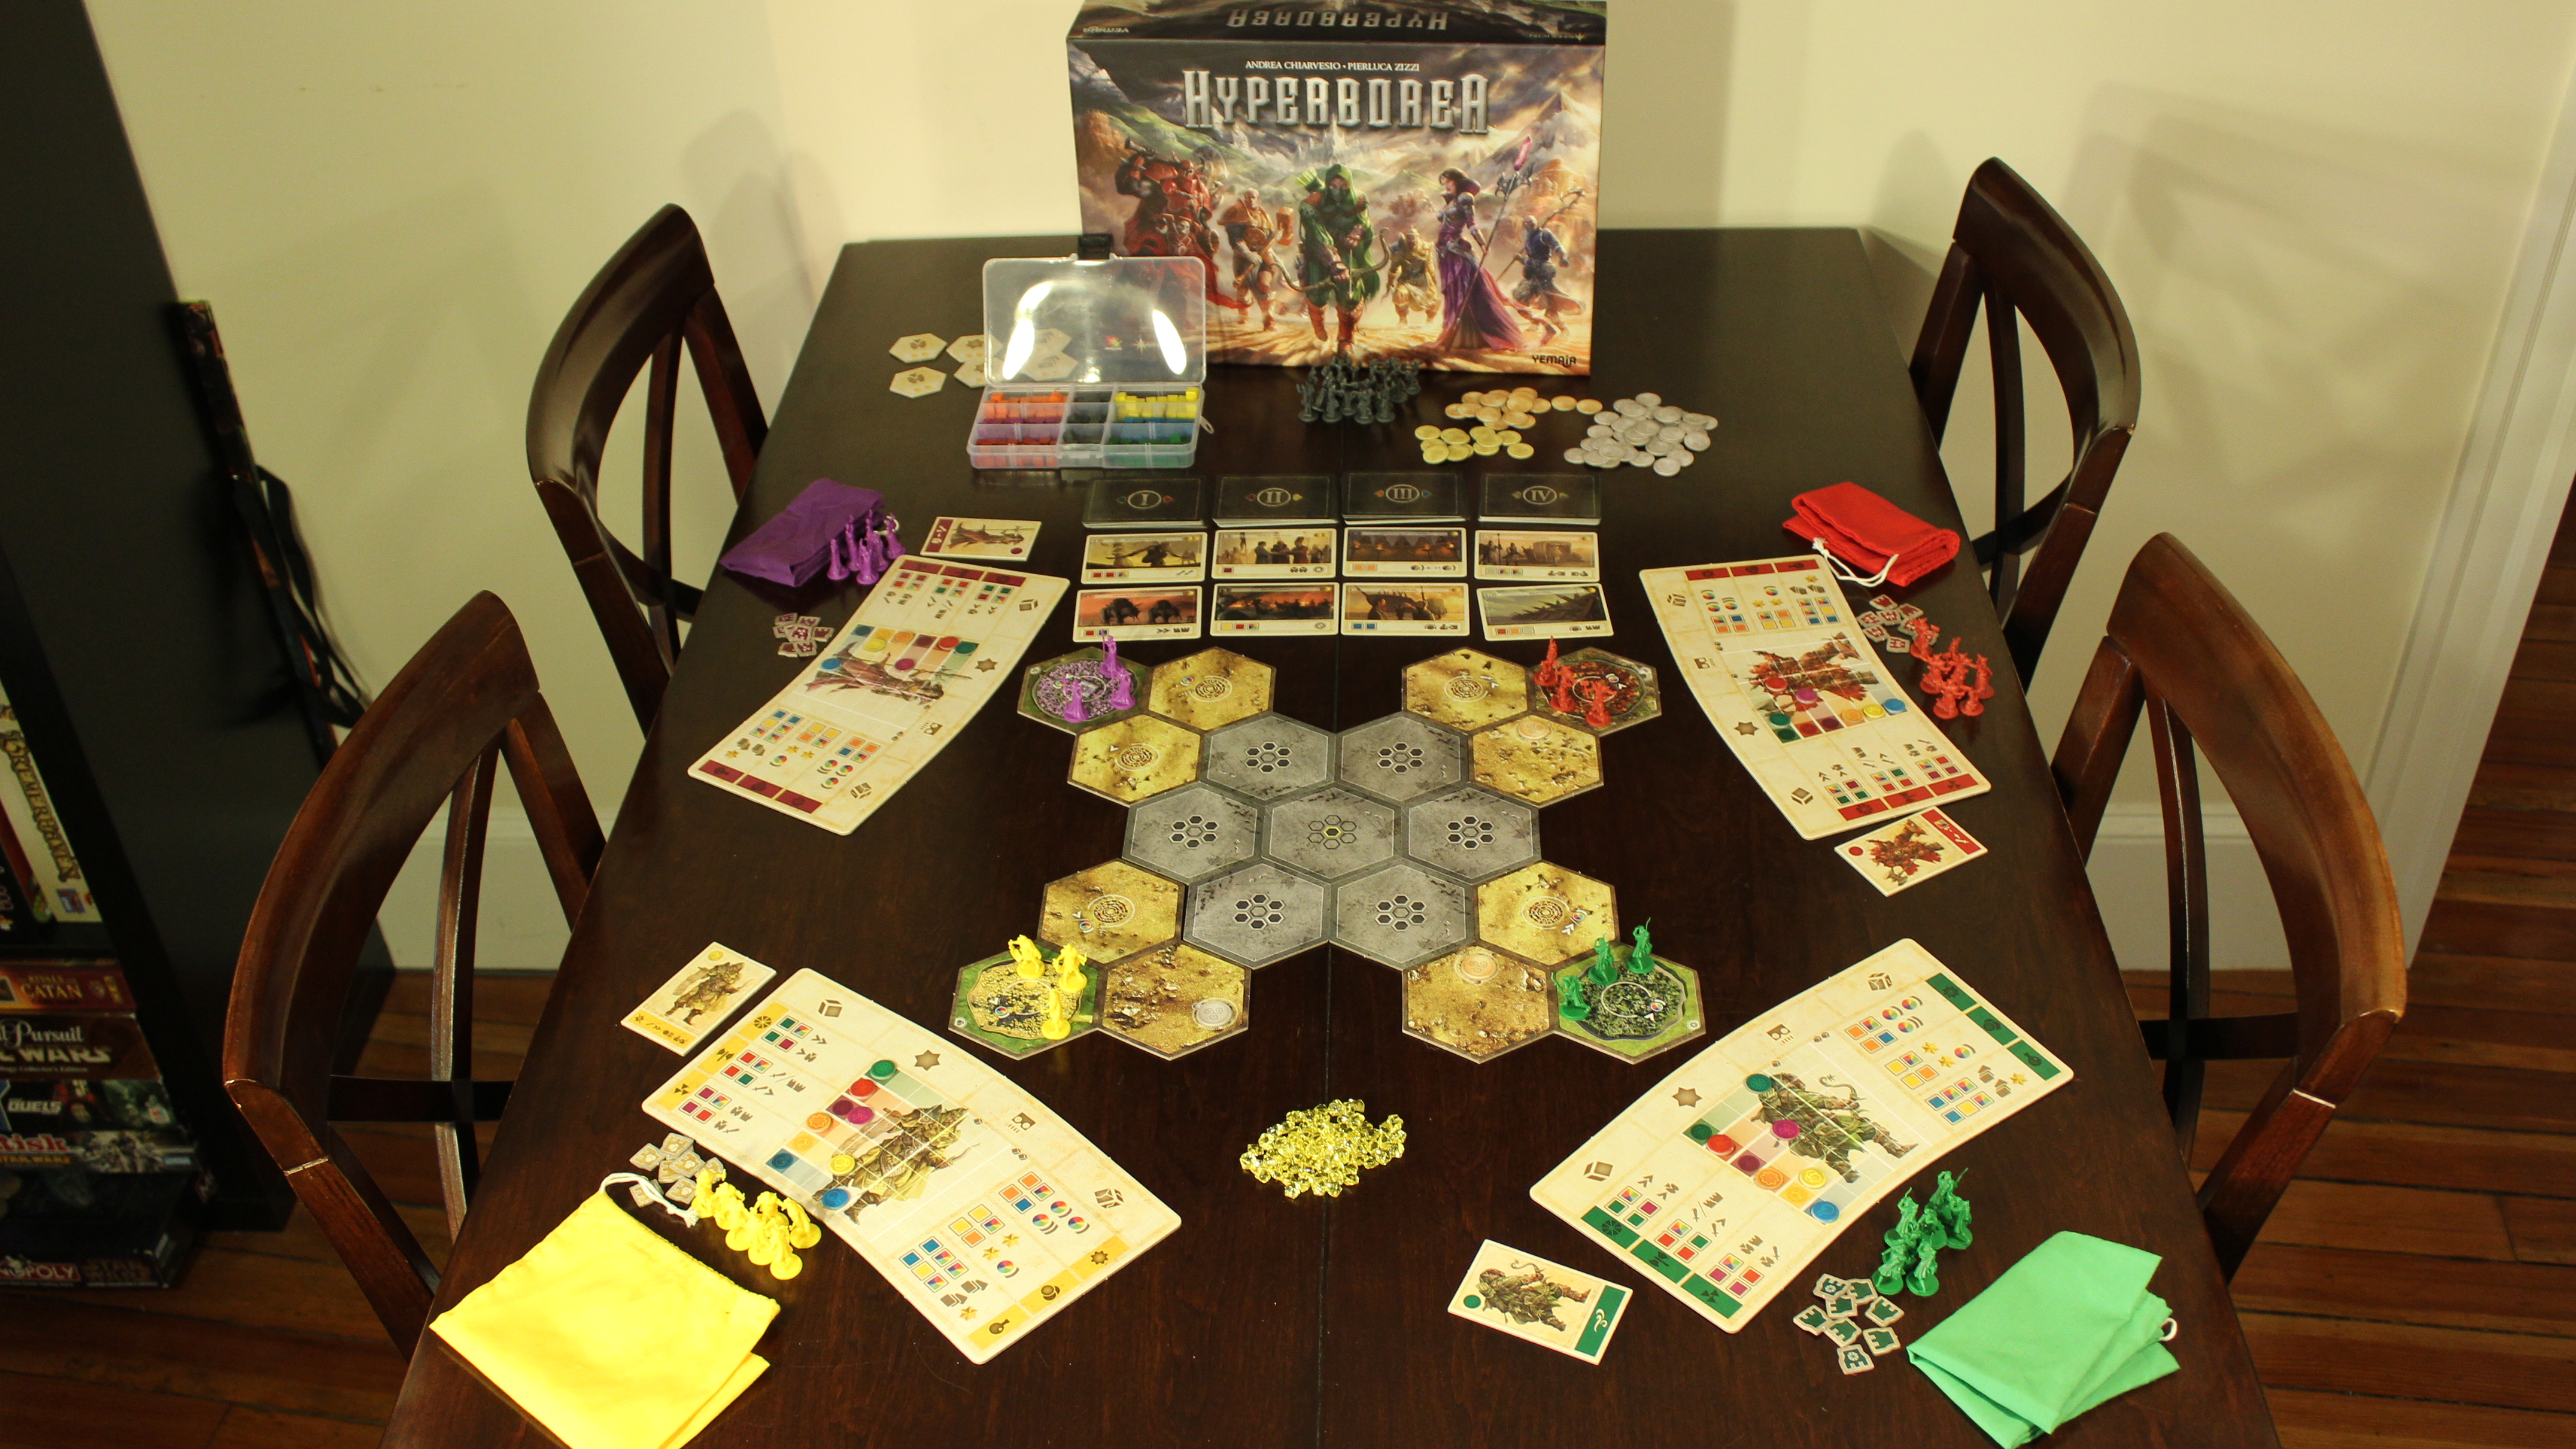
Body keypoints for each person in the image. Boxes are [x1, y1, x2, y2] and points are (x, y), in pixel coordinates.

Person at [1431, 170, 1525, 354]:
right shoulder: (1451, 200)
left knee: (1470, 291)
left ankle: (1485, 335)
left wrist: (1482, 244)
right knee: (1455, 294)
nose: (1446, 185)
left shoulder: (1465, 198)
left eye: (1449, 181)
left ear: (1457, 181)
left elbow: (1472, 225)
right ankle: (1459, 337)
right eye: (1444, 182)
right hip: (1445, 252)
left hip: (1457, 250)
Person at [1295, 164, 1380, 356]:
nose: (1338, 191)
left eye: (1343, 186)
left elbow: (1364, 220)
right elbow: (1316, 232)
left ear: (1349, 185)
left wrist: (1357, 232)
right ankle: (1318, 326)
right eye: (1333, 186)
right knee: (1317, 293)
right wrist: (1334, 262)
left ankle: (1346, 340)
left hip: (1346, 250)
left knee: (1350, 293)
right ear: (1327, 185)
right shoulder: (1313, 202)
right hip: (1319, 251)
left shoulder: (1359, 199)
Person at [1219, 191, 1292, 330]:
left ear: (1258, 199)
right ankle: (1243, 314)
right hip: (1243, 257)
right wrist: (1247, 253)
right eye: (1248, 198)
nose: (1251, 200)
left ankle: (1268, 319)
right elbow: (1235, 238)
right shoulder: (1237, 212)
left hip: (1265, 255)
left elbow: (1267, 238)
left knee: (1264, 285)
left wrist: (1276, 236)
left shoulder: (1265, 216)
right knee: (1242, 288)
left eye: (1253, 197)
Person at [1509, 223, 1584, 347]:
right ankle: (1536, 323)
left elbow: (1557, 245)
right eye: (1526, 226)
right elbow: (1532, 259)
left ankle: (1560, 328)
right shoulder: (1528, 237)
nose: (1528, 227)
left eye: (1530, 225)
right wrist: (1521, 259)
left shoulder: (1544, 234)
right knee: (1521, 300)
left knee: (1549, 305)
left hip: (1543, 273)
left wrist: (1563, 257)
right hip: (1532, 274)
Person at [1384, 226, 1436, 326]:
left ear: (1417, 238)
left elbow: (1430, 264)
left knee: (1433, 298)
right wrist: (1390, 280)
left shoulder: (1425, 248)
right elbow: (1394, 267)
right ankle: (1403, 320)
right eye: (1409, 238)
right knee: (1400, 294)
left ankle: (1430, 321)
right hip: (1406, 279)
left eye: (1413, 238)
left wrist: (1434, 278)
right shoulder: (1400, 250)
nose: (1411, 241)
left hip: (1423, 279)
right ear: (1406, 238)